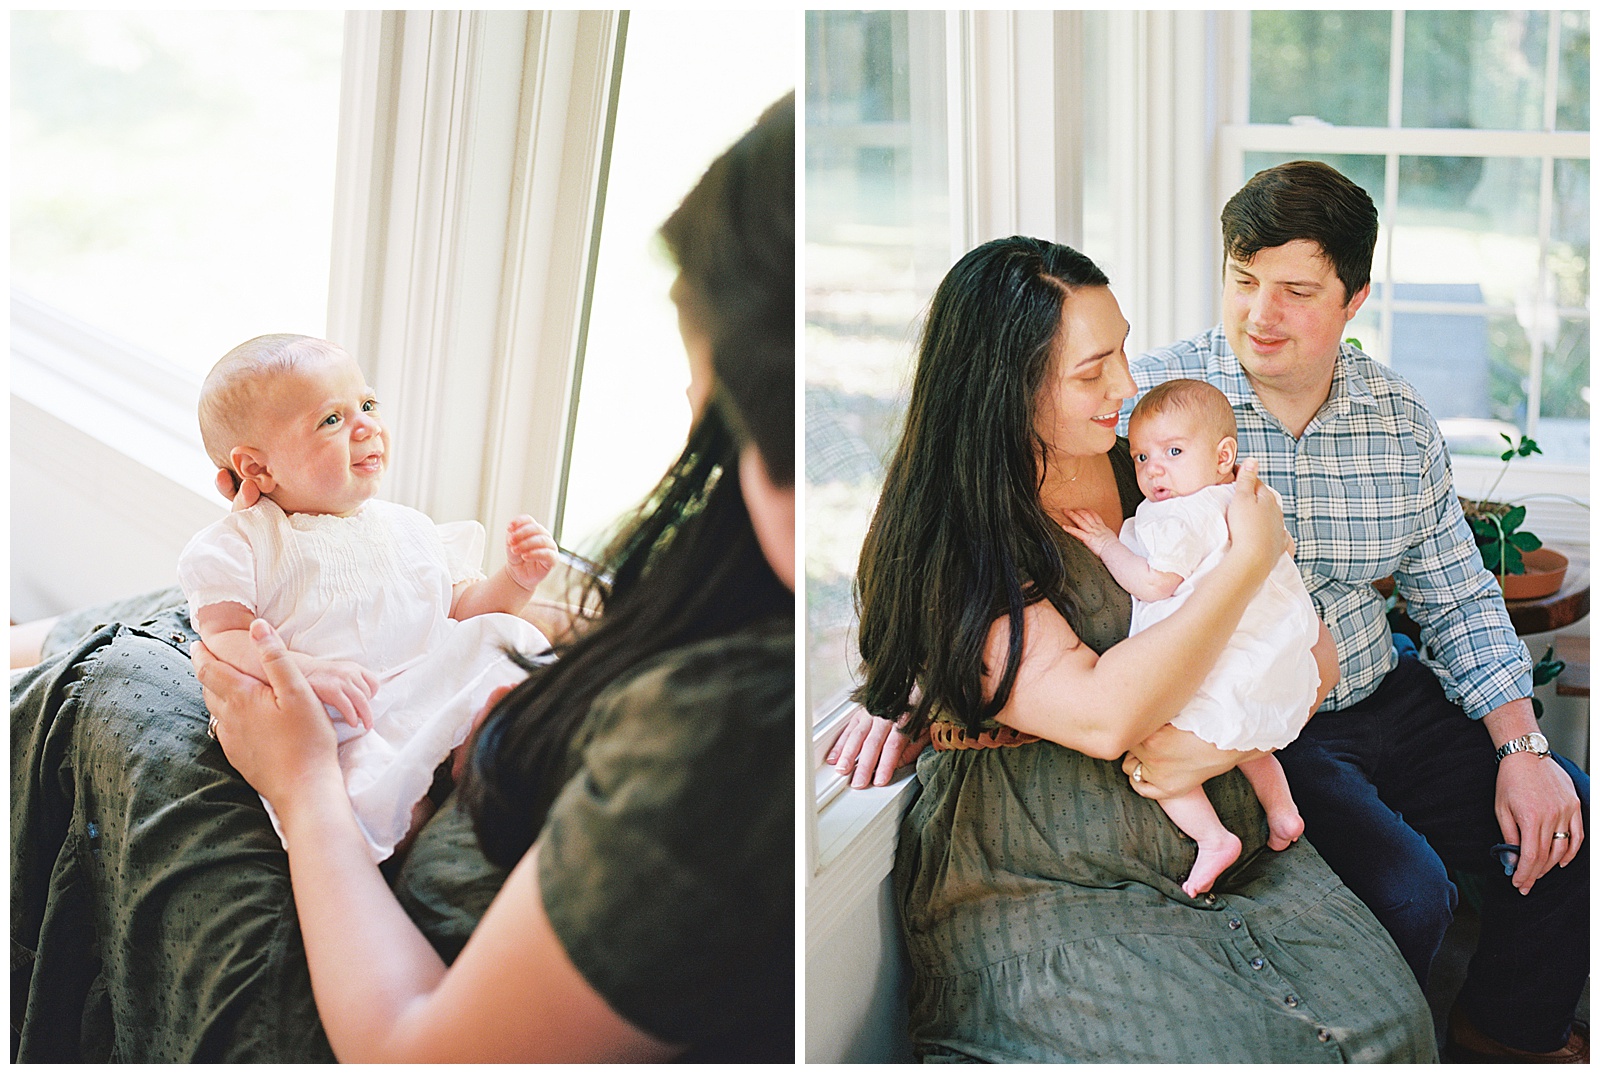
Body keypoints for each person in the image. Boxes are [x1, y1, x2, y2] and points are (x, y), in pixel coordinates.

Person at [12, 92, 794, 1063]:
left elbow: (419, 1050)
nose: (692, 399)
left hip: (370, 982)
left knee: (119, 679)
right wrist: (535, 610)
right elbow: (243, 605)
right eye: (331, 420)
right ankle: (32, 651)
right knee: (170, 629)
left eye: (711, 381)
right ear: (253, 471)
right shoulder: (756, 600)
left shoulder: (730, 742)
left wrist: (302, 787)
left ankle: (43, 666)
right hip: (400, 763)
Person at [845, 234, 1434, 1062]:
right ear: (999, 389)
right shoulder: (958, 540)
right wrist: (1248, 560)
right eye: (1092, 372)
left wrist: (1215, 739)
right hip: (1050, 875)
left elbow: (1310, 653)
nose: (1127, 386)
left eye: (1121, 349)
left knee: (1390, 1030)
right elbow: (1103, 716)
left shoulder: (1146, 468)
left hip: (1232, 850)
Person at [1125, 160, 1588, 1064]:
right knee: (1411, 893)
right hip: (1271, 729)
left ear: (1355, 297)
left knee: (1572, 819)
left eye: (1296, 290)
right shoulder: (1159, 405)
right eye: (1244, 279)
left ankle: (1501, 1039)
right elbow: (1006, 515)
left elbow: (1454, 590)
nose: (1261, 313)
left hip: (1388, 691)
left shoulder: (1397, 417)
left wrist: (1522, 748)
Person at [179, 333, 557, 862]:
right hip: (347, 718)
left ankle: (477, 747)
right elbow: (223, 636)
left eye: (367, 404)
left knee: (508, 638)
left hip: (430, 682)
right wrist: (302, 669)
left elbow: (464, 613)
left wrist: (516, 580)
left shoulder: (408, 527)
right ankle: (416, 826)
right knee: (369, 807)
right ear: (258, 469)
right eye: (331, 420)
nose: (367, 426)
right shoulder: (247, 542)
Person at [1062, 377, 1319, 897]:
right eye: (1140, 457)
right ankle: (1283, 812)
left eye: (1173, 452)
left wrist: (1107, 544)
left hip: (1210, 656)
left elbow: (1156, 584)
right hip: (1266, 655)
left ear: (1224, 454)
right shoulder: (1250, 497)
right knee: (1250, 740)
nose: (1154, 469)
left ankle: (1212, 837)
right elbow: (1282, 547)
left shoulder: (1176, 516)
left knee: (1151, 744)